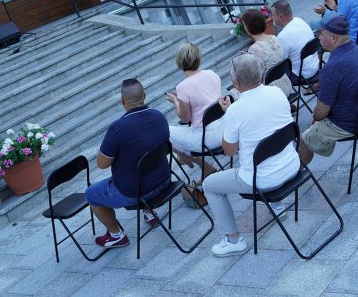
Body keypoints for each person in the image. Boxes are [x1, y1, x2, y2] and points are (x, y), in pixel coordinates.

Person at [203, 54, 300, 257]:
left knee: (209, 186)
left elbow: (229, 151)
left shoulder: (235, 111)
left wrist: (229, 115)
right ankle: (277, 206)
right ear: (261, 73)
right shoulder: (277, 92)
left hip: (263, 180)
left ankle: (233, 240)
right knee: (269, 144)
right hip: (293, 165)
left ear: (236, 82)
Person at [85, 78, 171, 248]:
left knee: (91, 194)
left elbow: (102, 164)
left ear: (122, 101)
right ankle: (149, 214)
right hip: (165, 181)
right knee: (143, 163)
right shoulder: (159, 115)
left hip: (136, 192)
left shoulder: (118, 128)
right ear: (144, 96)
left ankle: (116, 235)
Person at [298, 15, 358, 166]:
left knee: (305, 138)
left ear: (333, 37)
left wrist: (316, 118)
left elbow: (321, 111)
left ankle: (296, 175)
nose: (318, 38)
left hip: (355, 122)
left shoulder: (332, 67)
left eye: (320, 34)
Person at [165, 42, 222, 180]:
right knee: (180, 137)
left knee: (163, 132)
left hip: (206, 138)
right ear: (199, 57)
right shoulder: (211, 74)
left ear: (179, 62)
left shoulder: (183, 87)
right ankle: (187, 158)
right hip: (224, 128)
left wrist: (176, 102)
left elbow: (185, 119)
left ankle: (193, 161)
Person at [241, 8, 292, 98]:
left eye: (244, 24)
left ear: (249, 27)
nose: (243, 26)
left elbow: (256, 79)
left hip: (273, 93)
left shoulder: (254, 49)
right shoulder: (274, 38)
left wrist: (246, 61)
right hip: (287, 83)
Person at [271, 0, 319, 84]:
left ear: (280, 16)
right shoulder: (300, 20)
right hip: (315, 66)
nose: (272, 19)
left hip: (302, 75)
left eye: (273, 16)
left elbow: (280, 62)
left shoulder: (283, 36)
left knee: (271, 76)